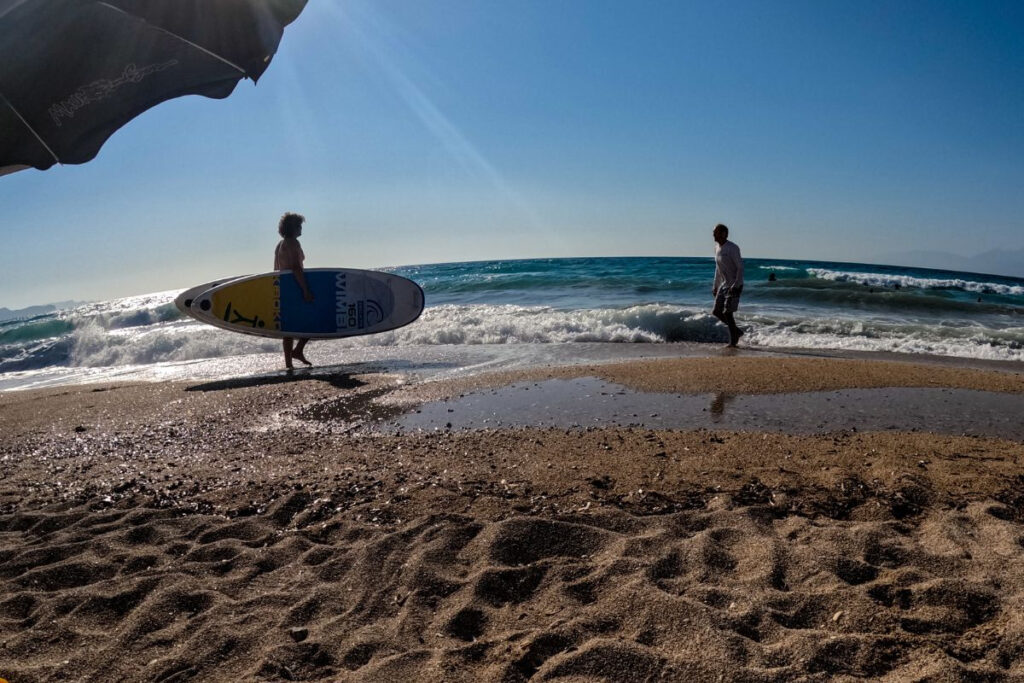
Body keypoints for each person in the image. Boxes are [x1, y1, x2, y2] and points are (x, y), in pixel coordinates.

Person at [275, 212, 314, 369]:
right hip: (295, 286)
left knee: (288, 328)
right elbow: (297, 268)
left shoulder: (280, 245)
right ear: (293, 227)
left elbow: (276, 270)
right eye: (299, 226)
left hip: (284, 289)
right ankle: (298, 350)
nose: (301, 229)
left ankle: (289, 364)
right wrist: (305, 290)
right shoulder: (293, 243)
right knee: (311, 320)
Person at [711, 223, 744, 347]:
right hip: (724, 285)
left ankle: (733, 341)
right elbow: (718, 269)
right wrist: (715, 285)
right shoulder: (717, 248)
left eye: (716, 232)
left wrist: (736, 285)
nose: (713, 235)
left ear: (724, 234)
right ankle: (737, 331)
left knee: (727, 312)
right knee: (716, 311)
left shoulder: (732, 248)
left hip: (735, 284)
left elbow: (740, 267)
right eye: (714, 232)